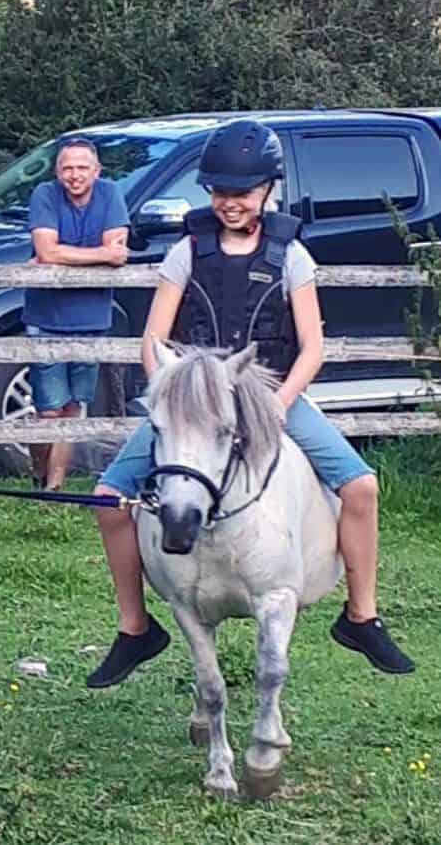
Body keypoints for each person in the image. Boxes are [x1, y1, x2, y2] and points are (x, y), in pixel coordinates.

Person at [85, 120, 415, 689]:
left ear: (267, 191)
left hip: (267, 395)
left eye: (241, 192)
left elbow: (312, 347)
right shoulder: (187, 253)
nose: (229, 202)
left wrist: (283, 401)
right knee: (109, 499)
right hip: (193, 400)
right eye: (219, 191)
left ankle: (361, 615)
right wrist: (171, 393)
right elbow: (153, 339)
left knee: (361, 486)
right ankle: (135, 626)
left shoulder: (292, 257)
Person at [26, 137, 130, 489]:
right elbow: (47, 251)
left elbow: (118, 249)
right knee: (48, 408)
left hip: (93, 317)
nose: (75, 175)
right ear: (57, 172)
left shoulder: (111, 193)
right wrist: (100, 254)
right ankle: (39, 471)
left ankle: (54, 485)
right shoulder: (44, 194)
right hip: (46, 317)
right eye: (67, 168)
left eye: (82, 167)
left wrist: (61, 254)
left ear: (97, 171)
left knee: (74, 406)